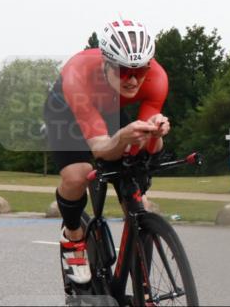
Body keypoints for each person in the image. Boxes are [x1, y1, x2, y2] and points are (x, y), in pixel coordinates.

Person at [43, 19, 170, 290]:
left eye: (141, 70)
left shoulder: (157, 79)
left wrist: (155, 137)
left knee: (138, 199)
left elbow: (143, 150)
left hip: (109, 108)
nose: (134, 79)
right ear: (107, 64)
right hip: (67, 109)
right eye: (125, 71)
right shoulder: (78, 73)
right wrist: (121, 138)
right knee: (77, 176)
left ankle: (142, 290)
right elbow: (100, 148)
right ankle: (73, 236)